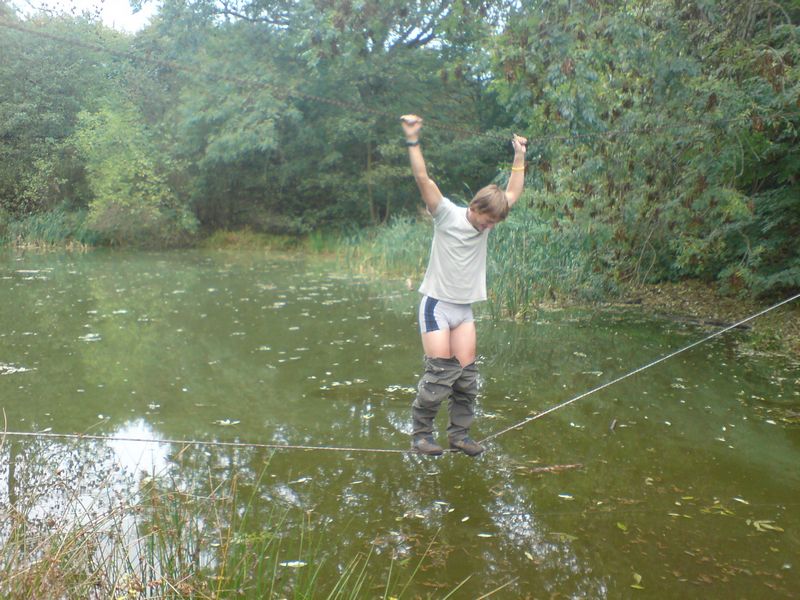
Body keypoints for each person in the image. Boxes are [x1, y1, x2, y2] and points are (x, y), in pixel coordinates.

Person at [400, 114, 527, 456]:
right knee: (440, 375)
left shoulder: (494, 215)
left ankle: (459, 435)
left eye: (493, 225)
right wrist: (413, 138)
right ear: (473, 207)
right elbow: (422, 177)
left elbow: (513, 191)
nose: (487, 228)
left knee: (467, 379)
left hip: (463, 308)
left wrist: (519, 155)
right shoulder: (445, 214)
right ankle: (421, 435)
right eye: (486, 222)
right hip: (437, 304)